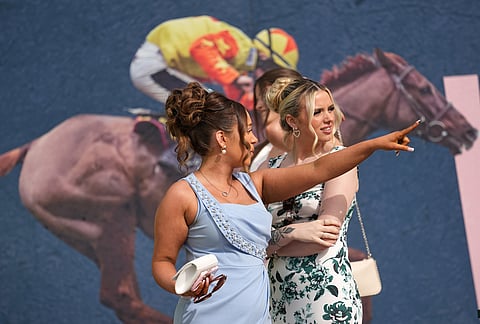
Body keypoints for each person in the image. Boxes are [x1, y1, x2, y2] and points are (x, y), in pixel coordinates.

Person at [151, 81, 418, 323]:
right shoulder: (183, 194)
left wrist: (373, 145)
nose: (255, 139)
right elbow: (162, 261)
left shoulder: (256, 184)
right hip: (209, 315)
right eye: (247, 131)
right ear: (223, 138)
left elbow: (320, 170)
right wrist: (181, 284)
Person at [251, 70, 373, 323]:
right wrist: (293, 232)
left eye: (330, 109)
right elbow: (252, 243)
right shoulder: (269, 168)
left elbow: (323, 238)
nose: (329, 118)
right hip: (278, 296)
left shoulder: (340, 161)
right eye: (318, 112)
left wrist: (273, 243)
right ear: (292, 121)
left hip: (327, 295)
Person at [130, 15, 299, 110]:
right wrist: (234, 79)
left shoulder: (241, 63)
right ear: (263, 56)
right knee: (205, 106)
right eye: (273, 67)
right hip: (154, 65)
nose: (271, 74)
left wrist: (260, 104)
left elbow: (236, 99)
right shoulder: (241, 48)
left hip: (165, 65)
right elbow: (201, 49)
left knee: (213, 106)